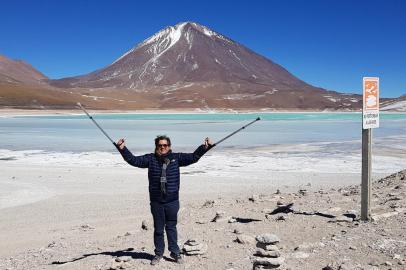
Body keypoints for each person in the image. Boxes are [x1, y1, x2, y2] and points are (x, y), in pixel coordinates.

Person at [116, 135, 213, 265]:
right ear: (156, 146)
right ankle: (158, 253)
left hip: (172, 201)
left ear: (169, 147)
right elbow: (134, 160)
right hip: (156, 201)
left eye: (165, 145)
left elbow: (193, 157)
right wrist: (123, 149)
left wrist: (204, 148)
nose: (162, 147)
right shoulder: (150, 159)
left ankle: (175, 252)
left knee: (171, 227)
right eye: (160, 145)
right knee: (158, 229)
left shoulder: (177, 158)